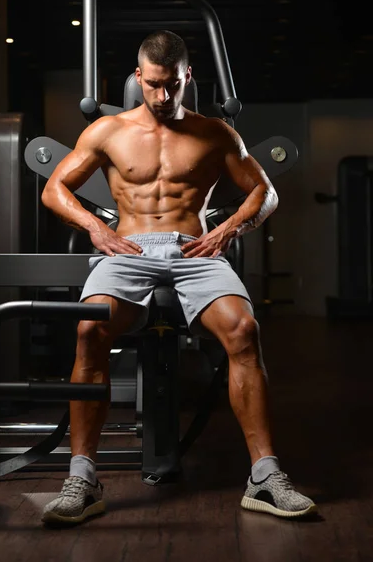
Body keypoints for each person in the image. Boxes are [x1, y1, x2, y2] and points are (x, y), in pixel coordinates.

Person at [40, 30, 317, 525]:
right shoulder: (108, 132)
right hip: (128, 247)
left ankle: (265, 475)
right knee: (89, 330)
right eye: (151, 85)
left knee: (243, 330)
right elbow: (56, 188)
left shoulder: (215, 133)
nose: (162, 97)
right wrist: (93, 229)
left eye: (171, 85)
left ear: (187, 76)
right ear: (137, 77)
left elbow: (264, 192)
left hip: (195, 248)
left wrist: (228, 228)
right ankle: (82, 477)